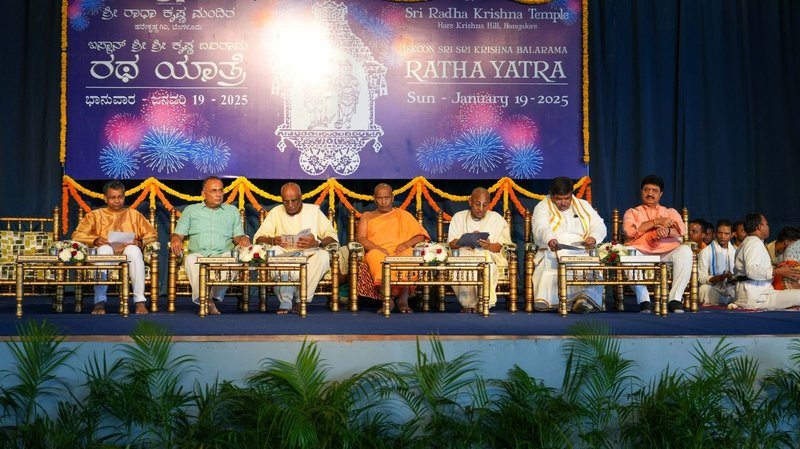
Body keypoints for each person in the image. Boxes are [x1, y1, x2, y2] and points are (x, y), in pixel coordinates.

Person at [72, 180, 158, 315]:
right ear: (105, 198)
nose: (117, 201)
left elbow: (152, 234)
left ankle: (139, 302)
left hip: (127, 254)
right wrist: (94, 240)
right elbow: (77, 235)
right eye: (113, 197)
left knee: (134, 250)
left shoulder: (134, 215)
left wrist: (140, 242)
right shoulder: (95, 215)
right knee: (104, 250)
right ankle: (99, 303)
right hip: (105, 253)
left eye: (120, 197)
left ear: (124, 197)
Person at [169, 177, 251, 315]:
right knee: (191, 259)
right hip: (200, 255)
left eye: (220, 190)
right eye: (214, 191)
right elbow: (178, 234)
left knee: (235, 259)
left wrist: (243, 238)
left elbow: (238, 237)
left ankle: (206, 298)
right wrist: (176, 239)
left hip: (224, 254)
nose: (218, 194)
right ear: (204, 193)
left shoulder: (232, 211)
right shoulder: (191, 210)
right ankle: (208, 300)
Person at [253, 182, 338, 314]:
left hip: (308, 256)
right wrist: (273, 240)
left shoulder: (314, 211)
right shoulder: (276, 212)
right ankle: (285, 302)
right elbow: (258, 238)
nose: (290, 205)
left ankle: (301, 300)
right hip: (285, 255)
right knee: (273, 252)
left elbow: (332, 236)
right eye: (286, 202)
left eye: (294, 201)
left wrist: (317, 243)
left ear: (301, 198)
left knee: (323, 256)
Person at [531, 177, 607, 313]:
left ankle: (582, 300)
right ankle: (559, 301)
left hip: (581, 249)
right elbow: (540, 227)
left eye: (567, 198)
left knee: (591, 265)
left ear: (572, 194)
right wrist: (550, 239)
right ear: (551, 195)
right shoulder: (542, 207)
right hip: (553, 248)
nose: (563, 203)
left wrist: (593, 238)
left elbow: (599, 225)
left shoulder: (583, 205)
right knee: (549, 263)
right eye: (559, 199)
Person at [623, 175, 692, 314]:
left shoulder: (670, 212)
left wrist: (666, 231)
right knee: (627, 254)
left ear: (660, 194)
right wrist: (656, 222)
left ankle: (675, 299)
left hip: (668, 251)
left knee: (686, 251)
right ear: (641, 191)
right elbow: (629, 231)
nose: (650, 193)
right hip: (642, 252)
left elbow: (682, 230)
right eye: (646, 190)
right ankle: (644, 301)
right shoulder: (632, 212)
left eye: (654, 190)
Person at [357, 183, 430, 313]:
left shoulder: (403, 215)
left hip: (400, 250)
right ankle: (387, 300)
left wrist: (406, 244)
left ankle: (403, 300)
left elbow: (421, 236)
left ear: (392, 197)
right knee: (375, 256)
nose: (383, 201)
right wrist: (377, 247)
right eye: (380, 198)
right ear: (374, 198)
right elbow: (361, 238)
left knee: (410, 254)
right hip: (378, 251)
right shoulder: (367, 216)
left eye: (387, 197)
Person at [447, 187, 512, 313]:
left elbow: (500, 247)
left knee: (486, 261)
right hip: (464, 253)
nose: (481, 209)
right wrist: (466, 240)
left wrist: (487, 245)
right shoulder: (458, 217)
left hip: (487, 254)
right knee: (460, 261)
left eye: (485, 205)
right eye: (477, 204)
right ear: (470, 201)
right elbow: (451, 244)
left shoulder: (496, 219)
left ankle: (484, 301)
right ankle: (468, 304)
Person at [733, 213, 800, 309]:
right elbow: (751, 271)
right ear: (760, 227)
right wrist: (777, 271)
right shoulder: (754, 243)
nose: (768, 227)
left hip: (754, 294)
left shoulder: (748, 242)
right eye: (766, 224)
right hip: (758, 297)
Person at [697, 219, 736, 306]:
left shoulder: (736, 252)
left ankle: (728, 301)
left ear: (732, 235)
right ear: (715, 233)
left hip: (731, 289)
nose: (722, 236)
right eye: (720, 233)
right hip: (714, 288)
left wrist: (732, 278)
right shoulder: (706, 252)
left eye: (726, 234)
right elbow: (701, 278)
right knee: (703, 290)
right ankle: (727, 302)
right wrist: (719, 278)